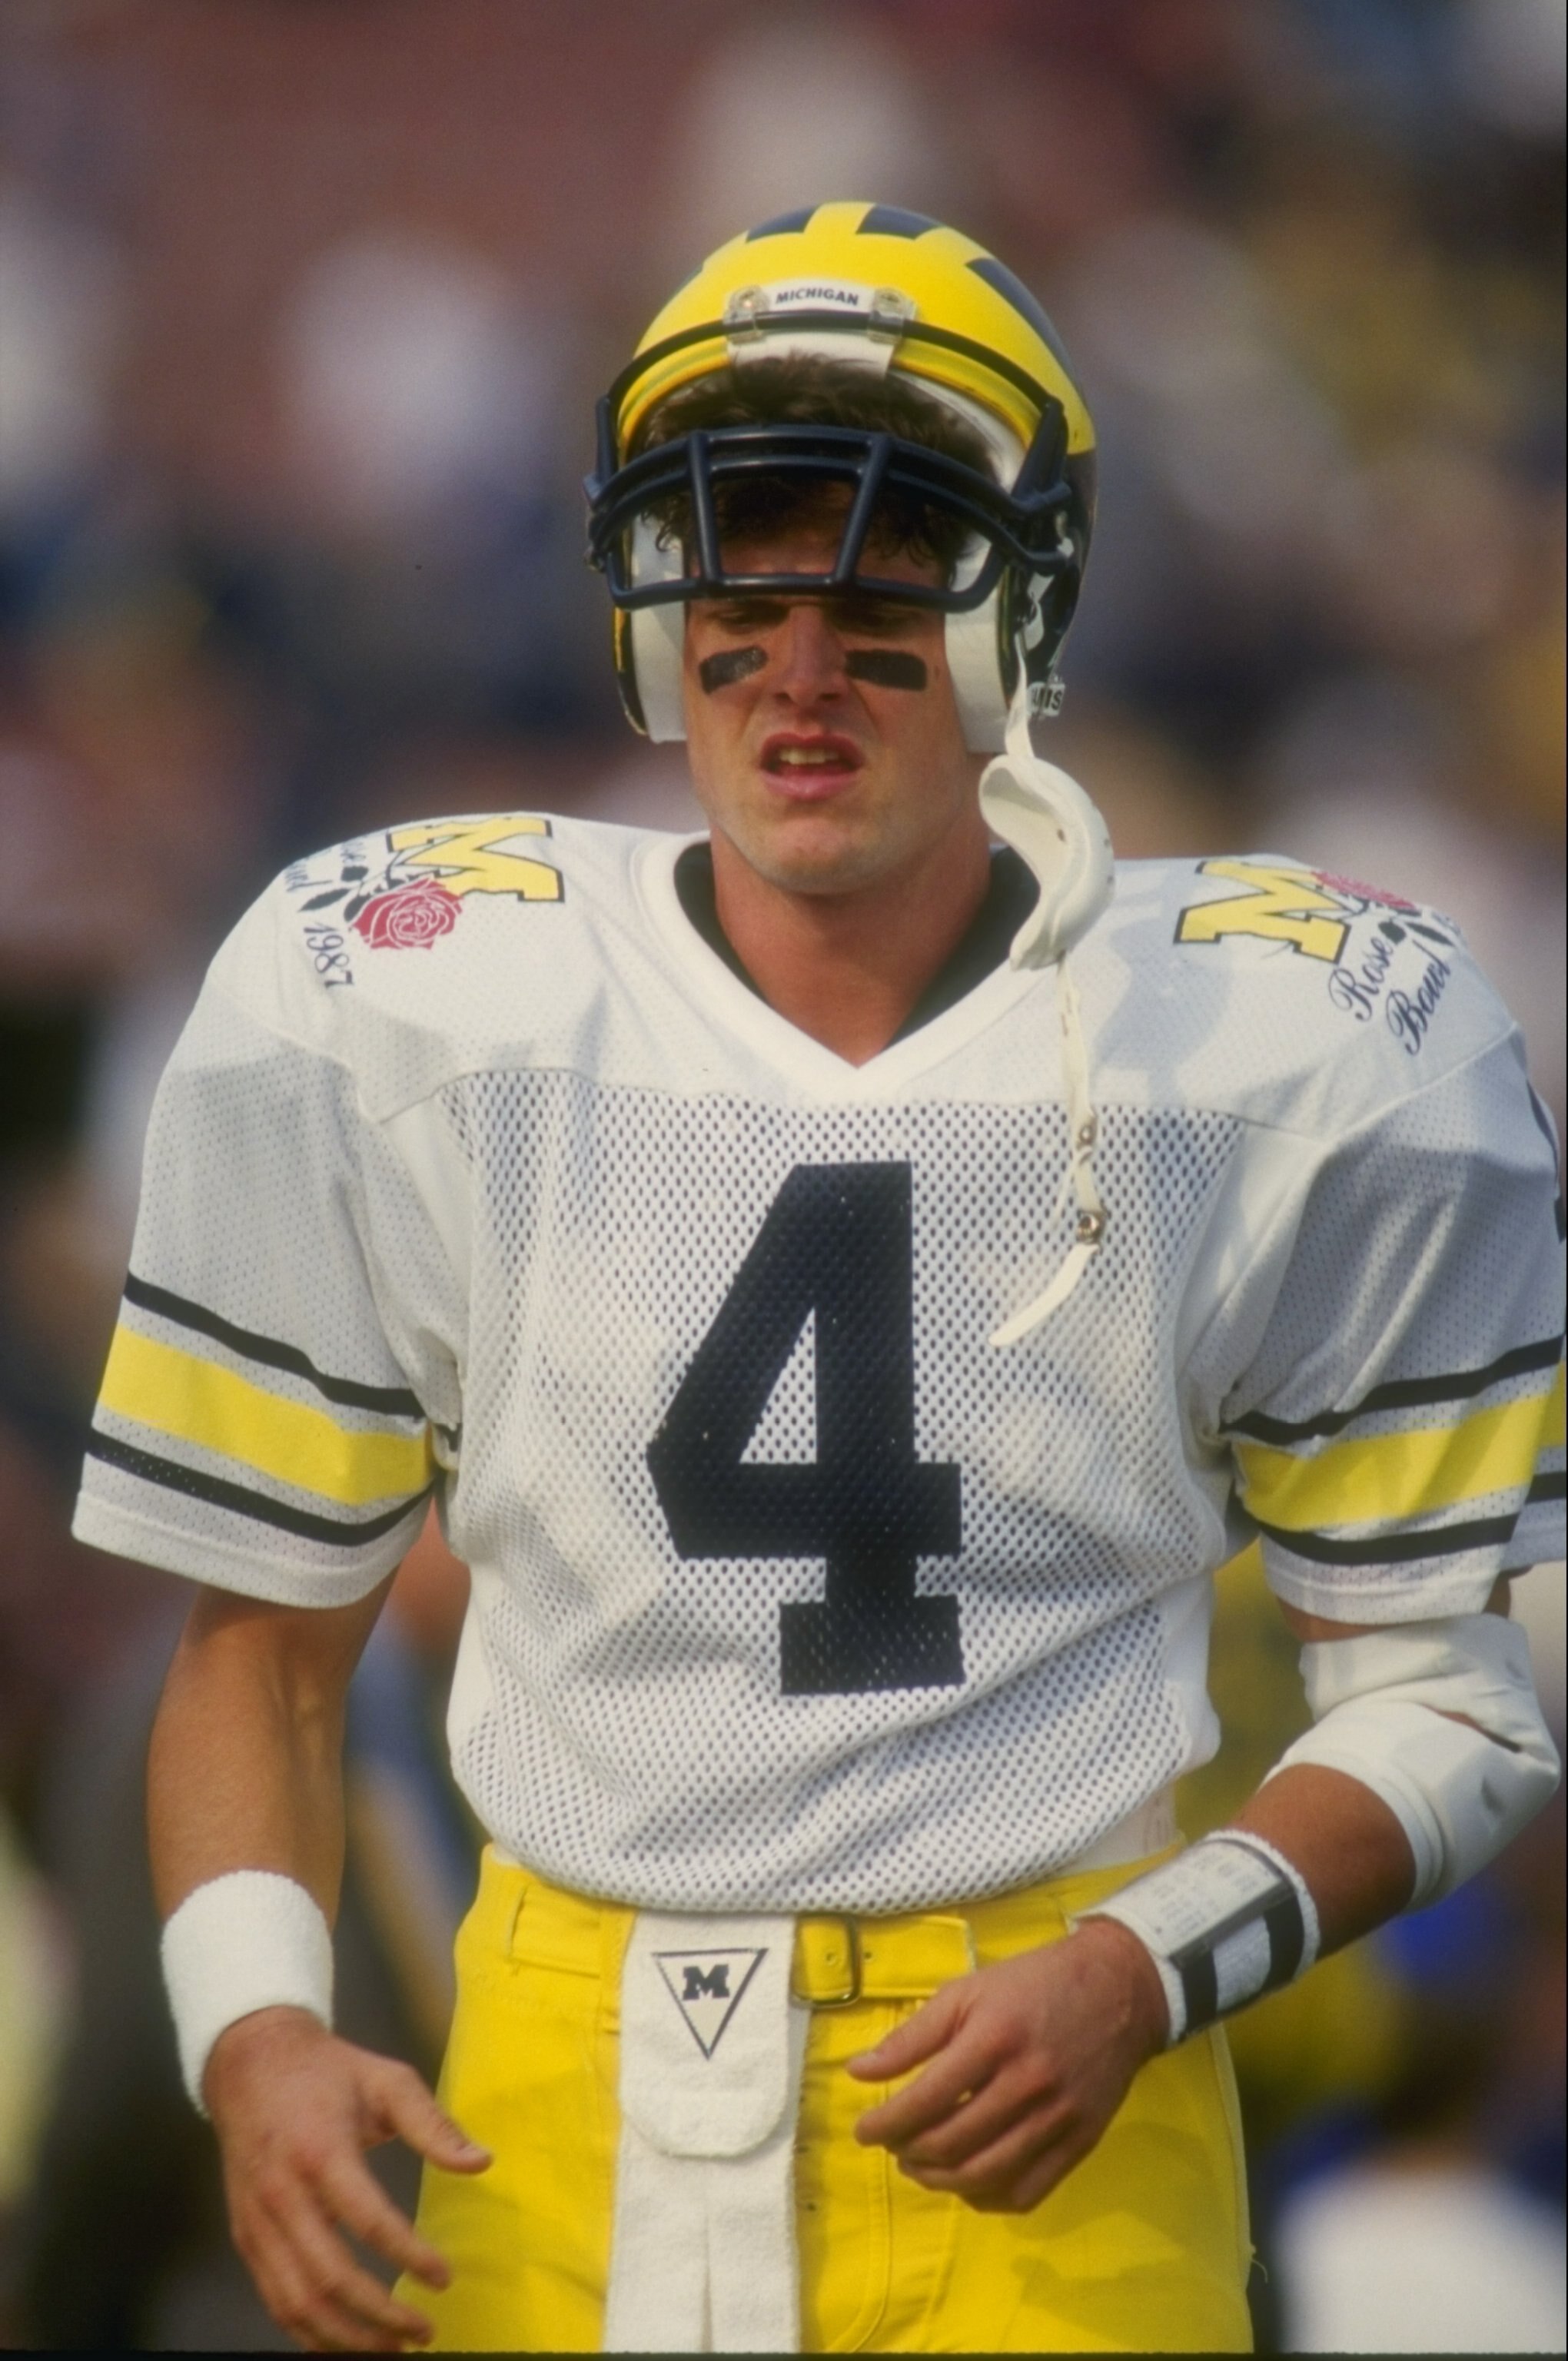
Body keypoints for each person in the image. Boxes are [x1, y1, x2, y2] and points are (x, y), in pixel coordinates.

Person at [71, 203, 1563, 2355]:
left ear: (1013, 620)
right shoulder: (397, 997)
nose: (789, 671)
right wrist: (257, 2039)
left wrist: (1147, 1963)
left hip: (1054, 2093)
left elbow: (1446, 1699)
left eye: (876, 603)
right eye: (732, 586)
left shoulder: (1293, 1043)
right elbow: (261, 1656)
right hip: (548, 2096)